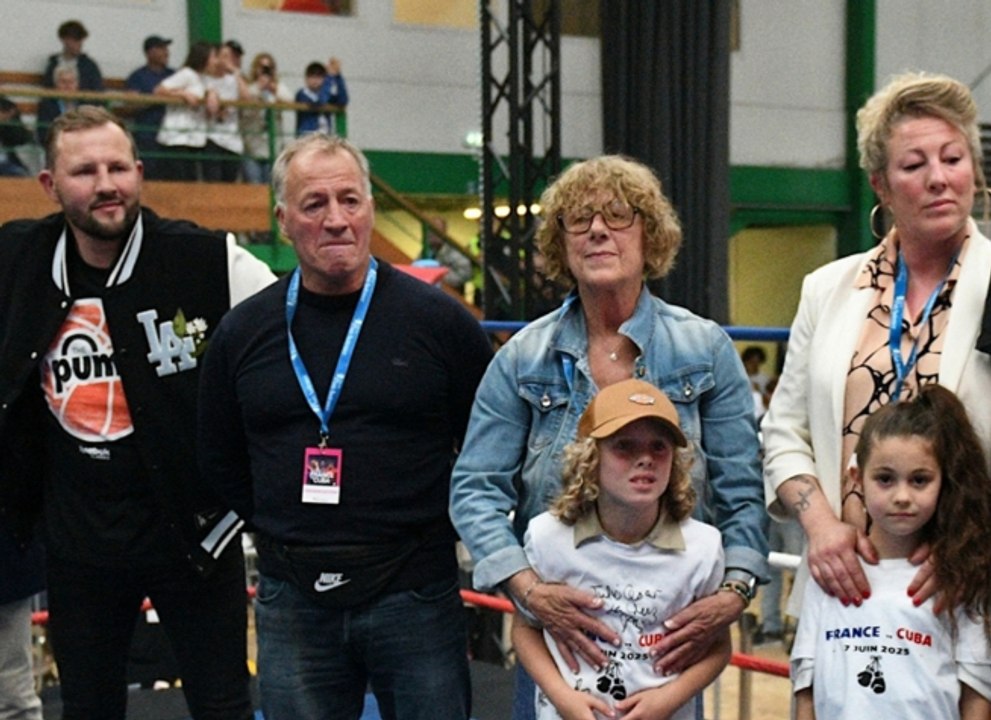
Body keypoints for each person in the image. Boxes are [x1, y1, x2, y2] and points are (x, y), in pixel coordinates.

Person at [449, 154, 768, 719]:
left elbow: (743, 486)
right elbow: (474, 488)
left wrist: (734, 592)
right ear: (560, 243)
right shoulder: (522, 357)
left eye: (618, 216)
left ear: (651, 235)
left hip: (667, 654)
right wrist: (528, 590)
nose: (597, 230)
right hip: (557, 649)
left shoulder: (705, 349)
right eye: (579, 220)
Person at [197, 132, 494, 719]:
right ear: (283, 220)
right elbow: (218, 455)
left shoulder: (441, 322)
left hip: (415, 590)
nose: (336, 219)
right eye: (315, 204)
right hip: (292, 594)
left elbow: (489, 449)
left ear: (370, 210)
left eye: (350, 200)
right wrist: (286, 527)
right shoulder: (244, 331)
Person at [0, 106, 276, 720]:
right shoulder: (16, 259)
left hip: (194, 533)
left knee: (224, 704)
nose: (106, 184)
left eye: (118, 166)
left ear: (140, 172)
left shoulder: (209, 260)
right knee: (88, 707)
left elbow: (294, 333)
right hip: (78, 542)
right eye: (85, 171)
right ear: (49, 184)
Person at [762, 71, 991, 619]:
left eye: (953, 158)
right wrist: (820, 525)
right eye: (914, 165)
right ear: (881, 187)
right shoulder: (827, 290)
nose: (939, 178)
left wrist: (973, 545)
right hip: (847, 590)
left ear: (975, 172)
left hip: (971, 593)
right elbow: (783, 432)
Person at [512, 379, 730, 720]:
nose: (645, 459)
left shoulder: (703, 547)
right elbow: (525, 628)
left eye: (659, 447)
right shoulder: (546, 537)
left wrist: (668, 700)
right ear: (590, 458)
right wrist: (561, 697)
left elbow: (718, 646)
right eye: (624, 447)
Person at [791, 385, 991, 719]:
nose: (902, 496)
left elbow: (976, 696)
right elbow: (806, 693)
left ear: (943, 481)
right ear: (857, 477)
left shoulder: (957, 576)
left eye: (919, 480)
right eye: (885, 479)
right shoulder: (828, 576)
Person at [154, 41, 219, 181]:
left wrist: (212, 94)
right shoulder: (186, 74)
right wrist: (182, 94)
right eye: (214, 56)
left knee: (192, 180)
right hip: (177, 138)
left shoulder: (205, 79)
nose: (216, 61)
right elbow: (159, 90)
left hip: (194, 138)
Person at [125, 35, 175, 180]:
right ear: (149, 52)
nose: (166, 52)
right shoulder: (137, 76)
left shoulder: (173, 75)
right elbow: (130, 104)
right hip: (147, 134)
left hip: (171, 136)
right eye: (161, 48)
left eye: (166, 49)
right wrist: (154, 97)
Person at [241, 52, 293, 184]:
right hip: (252, 146)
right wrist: (259, 87)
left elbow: (290, 100)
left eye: (268, 68)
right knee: (254, 185)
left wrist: (273, 88)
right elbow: (245, 100)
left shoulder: (277, 87)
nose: (264, 71)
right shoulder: (250, 87)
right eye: (261, 67)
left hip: (273, 148)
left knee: (272, 186)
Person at [203, 42, 249, 182]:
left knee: (230, 181)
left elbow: (246, 98)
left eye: (230, 56)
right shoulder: (205, 79)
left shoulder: (233, 80)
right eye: (223, 56)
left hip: (232, 138)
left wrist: (235, 71)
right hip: (212, 136)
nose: (226, 60)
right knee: (213, 180)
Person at [42, 19, 103, 92]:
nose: (79, 45)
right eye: (74, 40)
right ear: (63, 39)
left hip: (83, 103)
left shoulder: (89, 66)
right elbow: (46, 91)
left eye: (80, 40)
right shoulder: (53, 64)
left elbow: (98, 92)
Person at [294, 58, 348, 136]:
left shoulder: (327, 93)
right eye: (311, 76)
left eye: (319, 76)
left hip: (325, 136)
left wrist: (337, 76)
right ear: (306, 78)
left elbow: (343, 100)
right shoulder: (302, 94)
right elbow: (320, 102)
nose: (315, 80)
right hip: (307, 137)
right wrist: (329, 77)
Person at [424, 216, 473, 293]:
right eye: (430, 230)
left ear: (444, 232)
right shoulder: (426, 251)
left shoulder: (455, 250)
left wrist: (438, 278)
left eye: (436, 230)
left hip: (451, 294)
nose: (432, 234)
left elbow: (465, 273)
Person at [36, 63, 83, 144]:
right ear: (56, 84)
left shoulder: (85, 103)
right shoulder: (46, 105)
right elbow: (43, 134)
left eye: (71, 82)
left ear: (77, 84)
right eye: (63, 82)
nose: (68, 86)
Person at [0, 95, 31, 177]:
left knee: (22, 175)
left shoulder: (7, 106)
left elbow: (22, 138)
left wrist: (5, 122)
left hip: (7, 163)